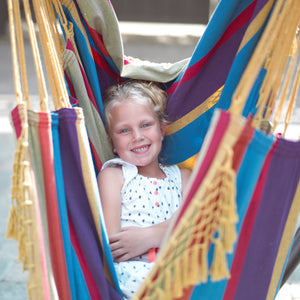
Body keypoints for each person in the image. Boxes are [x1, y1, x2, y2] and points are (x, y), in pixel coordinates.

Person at [97, 81, 191, 299]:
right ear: (112, 142)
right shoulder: (114, 176)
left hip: (182, 275)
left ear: (161, 130)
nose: (137, 136)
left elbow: (200, 229)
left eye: (145, 125)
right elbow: (114, 249)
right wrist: (175, 228)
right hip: (135, 283)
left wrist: (152, 236)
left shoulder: (183, 178)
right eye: (124, 130)